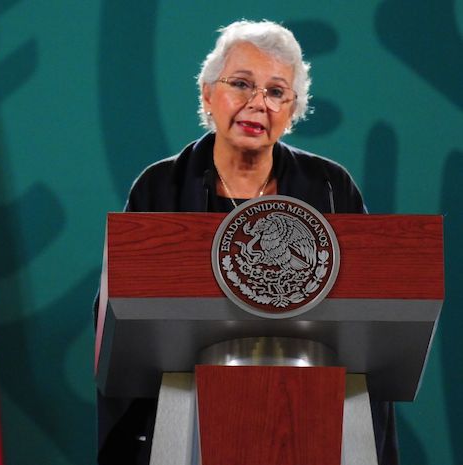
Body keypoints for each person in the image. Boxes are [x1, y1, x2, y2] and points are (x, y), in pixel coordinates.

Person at [96, 20, 399, 465]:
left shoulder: (330, 187)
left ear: (293, 109)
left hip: (311, 410)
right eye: (240, 84)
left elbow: (370, 304)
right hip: (188, 413)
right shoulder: (160, 187)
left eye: (277, 92)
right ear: (206, 93)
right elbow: (118, 309)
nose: (258, 103)